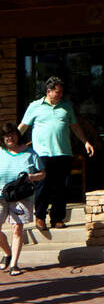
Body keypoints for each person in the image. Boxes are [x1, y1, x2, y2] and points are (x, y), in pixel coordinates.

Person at [18, 76, 95, 232]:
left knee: (62, 186)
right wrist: (11, 145)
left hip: (64, 152)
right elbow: (23, 127)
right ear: (49, 91)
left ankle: (57, 218)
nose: (60, 95)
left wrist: (85, 142)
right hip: (42, 154)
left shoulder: (66, 107)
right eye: (57, 92)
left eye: (61, 92)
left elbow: (75, 127)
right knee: (43, 185)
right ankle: (40, 216)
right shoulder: (35, 106)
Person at [0, 123, 45, 276]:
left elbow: (42, 173)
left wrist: (31, 177)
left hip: (21, 196)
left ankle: (14, 265)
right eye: (6, 135)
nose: (9, 138)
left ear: (18, 135)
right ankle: (7, 253)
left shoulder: (30, 153)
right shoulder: (0, 152)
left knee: (17, 229)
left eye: (12, 134)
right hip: (1, 195)